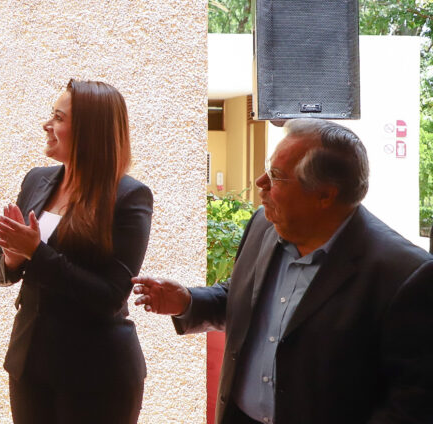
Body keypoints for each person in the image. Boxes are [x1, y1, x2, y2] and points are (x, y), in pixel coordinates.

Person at [133, 119, 433, 424]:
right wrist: (188, 302)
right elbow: (242, 298)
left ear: (324, 196)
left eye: (276, 176)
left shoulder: (405, 276)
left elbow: (411, 403)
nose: (260, 182)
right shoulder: (264, 226)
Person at [0, 79, 152, 423]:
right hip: (30, 365)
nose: (47, 125)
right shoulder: (36, 180)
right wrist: (12, 259)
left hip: (97, 376)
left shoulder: (129, 197)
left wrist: (36, 252)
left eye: (59, 118)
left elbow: (109, 296)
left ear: (90, 131)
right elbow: (2, 270)